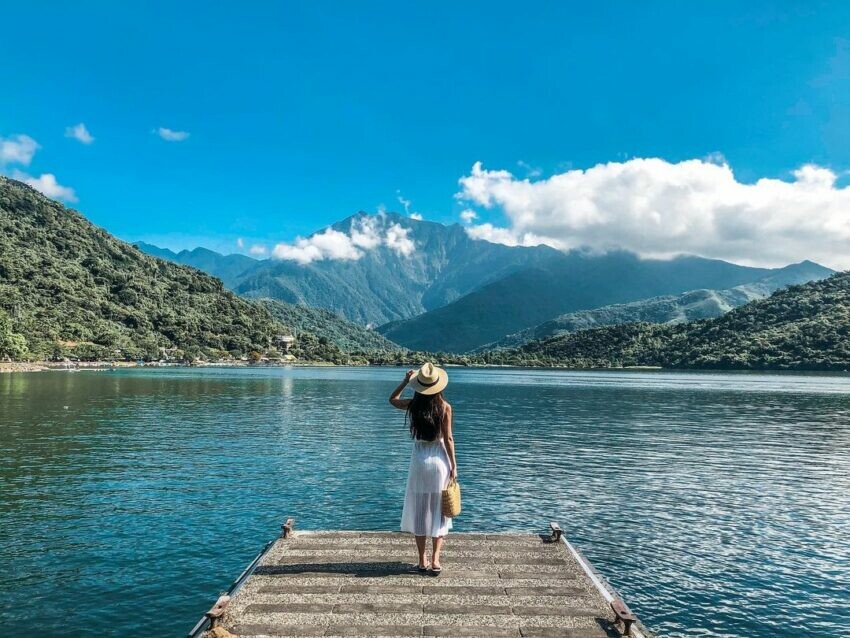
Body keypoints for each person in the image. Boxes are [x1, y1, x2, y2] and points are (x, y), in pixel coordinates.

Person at [389, 363, 457, 574]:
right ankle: (436, 559)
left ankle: (421, 560)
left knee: (420, 511)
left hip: (419, 460)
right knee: (439, 511)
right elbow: (448, 439)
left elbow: (392, 400)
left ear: (419, 386)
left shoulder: (413, 405)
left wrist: (404, 381)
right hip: (439, 461)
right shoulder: (445, 407)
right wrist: (454, 466)